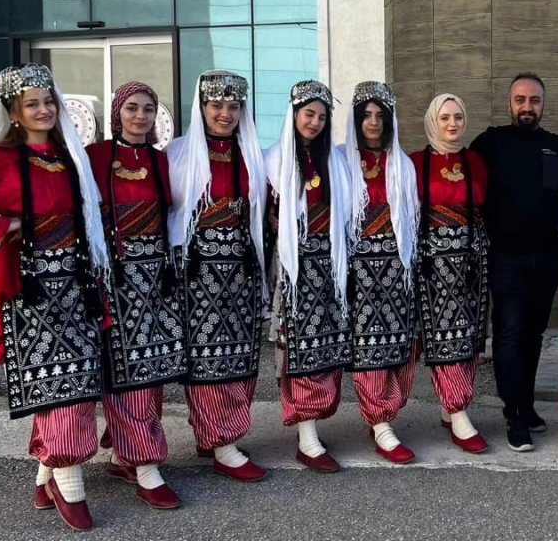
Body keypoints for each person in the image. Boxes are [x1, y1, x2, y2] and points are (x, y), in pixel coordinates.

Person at [0, 63, 111, 531]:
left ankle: (47, 470)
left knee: (77, 382)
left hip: (78, 287)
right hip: (30, 293)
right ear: (13, 112)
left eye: (49, 102)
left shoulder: (73, 157)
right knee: (60, 383)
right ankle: (70, 481)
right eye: (33, 104)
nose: (44, 110)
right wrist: (1, 226)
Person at [85, 82, 187, 509]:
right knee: (124, 372)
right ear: (117, 113)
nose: (141, 116)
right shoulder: (96, 158)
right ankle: (143, 464)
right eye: (132, 108)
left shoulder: (161, 161)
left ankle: (128, 453)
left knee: (149, 372)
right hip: (113, 280)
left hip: (155, 283)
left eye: (148, 109)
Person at [166, 70, 268, 483]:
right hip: (198, 274)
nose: (225, 114)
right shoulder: (177, 154)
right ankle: (222, 442)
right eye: (217, 106)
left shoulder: (253, 155)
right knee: (207, 359)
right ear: (201, 107)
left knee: (241, 356)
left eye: (233, 106)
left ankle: (218, 433)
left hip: (242, 270)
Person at [470, 73, 558, 451]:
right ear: (510, 102)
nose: (527, 106)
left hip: (546, 257)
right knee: (509, 335)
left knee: (533, 336)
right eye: (520, 99)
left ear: (544, 104)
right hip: (506, 259)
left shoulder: (556, 146)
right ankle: (513, 416)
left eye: (535, 100)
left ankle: (525, 406)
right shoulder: (490, 143)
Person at [266, 79, 353, 473]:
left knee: (326, 348)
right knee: (300, 350)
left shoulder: (334, 160)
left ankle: (313, 423)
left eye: (321, 116)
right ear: (294, 114)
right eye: (308, 114)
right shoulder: (274, 159)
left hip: (329, 266)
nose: (315, 122)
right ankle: (306, 434)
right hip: (295, 267)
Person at [339, 81, 421, 464]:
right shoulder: (339, 160)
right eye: (366, 115)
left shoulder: (401, 163)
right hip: (357, 270)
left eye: (380, 115)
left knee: (400, 346)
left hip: (397, 268)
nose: (373, 122)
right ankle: (380, 422)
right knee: (368, 348)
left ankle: (389, 412)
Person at [412, 93, 491, 454]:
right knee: (444, 336)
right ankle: (457, 411)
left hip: (473, 261)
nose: (452, 124)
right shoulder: (415, 163)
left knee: (470, 335)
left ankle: (452, 405)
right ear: (433, 120)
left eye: (458, 116)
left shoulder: (476, 161)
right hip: (434, 263)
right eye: (445, 117)